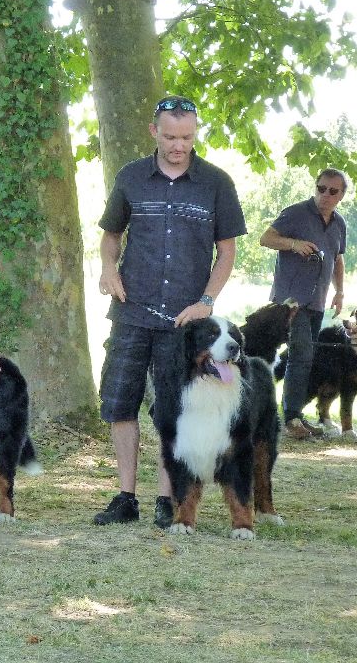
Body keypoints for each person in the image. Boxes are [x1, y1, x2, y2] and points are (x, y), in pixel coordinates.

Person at [94, 96, 246, 528]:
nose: (179, 145)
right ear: (153, 131)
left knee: (171, 409)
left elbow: (228, 251)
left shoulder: (217, 183)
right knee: (120, 404)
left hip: (185, 322)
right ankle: (125, 497)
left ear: (196, 133)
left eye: (187, 137)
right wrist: (109, 269)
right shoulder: (130, 178)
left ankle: (167, 497)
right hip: (131, 311)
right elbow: (111, 235)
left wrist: (207, 302)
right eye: (170, 136)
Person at [259, 168, 348, 440]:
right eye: (321, 188)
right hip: (290, 302)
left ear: (342, 195)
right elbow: (266, 238)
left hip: (317, 302)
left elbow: (338, 259)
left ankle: (294, 414)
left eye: (333, 191)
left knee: (303, 359)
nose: (325, 195)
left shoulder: (339, 223)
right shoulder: (296, 212)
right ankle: (291, 419)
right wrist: (293, 243)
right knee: (302, 354)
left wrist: (340, 291)